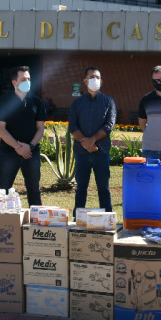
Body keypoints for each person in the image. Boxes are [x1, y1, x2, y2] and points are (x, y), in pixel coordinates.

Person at [0, 66, 47, 207]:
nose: (27, 82)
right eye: (23, 79)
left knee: (34, 190)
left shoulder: (36, 102)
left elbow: (40, 128)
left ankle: (36, 224)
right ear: (14, 82)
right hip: (9, 153)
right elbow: (1, 129)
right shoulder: (4, 101)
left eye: (29, 79)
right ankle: (0, 222)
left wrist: (29, 147)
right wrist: (18, 147)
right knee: (2, 189)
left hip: (31, 153)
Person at [69, 67, 116, 212]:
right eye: (91, 77)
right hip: (82, 153)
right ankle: (78, 219)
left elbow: (109, 125)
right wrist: (86, 143)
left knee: (103, 188)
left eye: (97, 77)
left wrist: (92, 140)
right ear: (85, 81)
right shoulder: (77, 103)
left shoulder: (109, 102)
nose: (94, 79)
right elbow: (72, 126)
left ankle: (107, 219)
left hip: (101, 153)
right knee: (81, 188)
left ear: (101, 81)